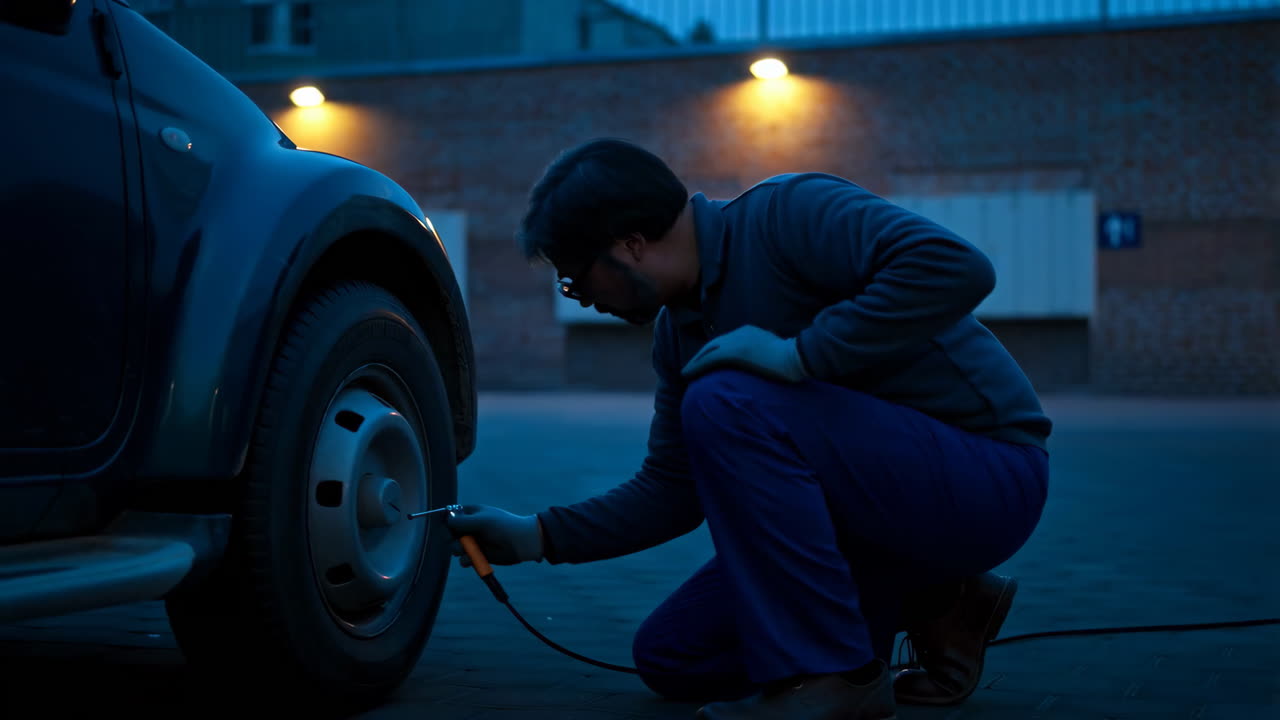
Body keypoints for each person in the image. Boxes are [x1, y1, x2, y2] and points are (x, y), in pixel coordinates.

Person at [445, 138, 1051, 720]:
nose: (575, 297)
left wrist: (801, 355)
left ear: (629, 244)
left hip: (989, 476)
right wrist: (537, 536)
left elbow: (955, 267)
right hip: (873, 524)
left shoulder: (787, 213)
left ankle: (835, 679)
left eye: (575, 276)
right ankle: (943, 601)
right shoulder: (679, 332)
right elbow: (673, 490)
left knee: (724, 399)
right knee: (673, 656)